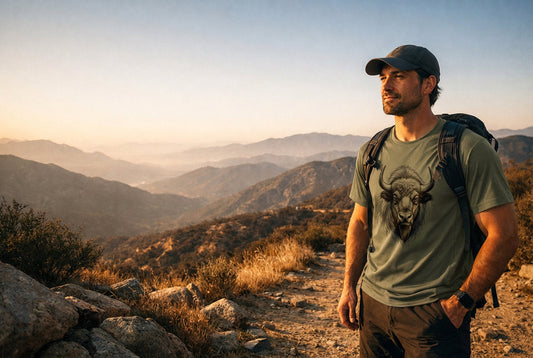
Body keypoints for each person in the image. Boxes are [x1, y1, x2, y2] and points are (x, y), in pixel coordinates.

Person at [337, 44, 519, 357]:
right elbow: (360, 222)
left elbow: (504, 235)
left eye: (399, 76)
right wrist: (349, 287)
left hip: (434, 315)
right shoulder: (371, 151)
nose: (386, 85)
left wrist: (462, 301)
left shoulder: (467, 149)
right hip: (374, 308)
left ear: (428, 85)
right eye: (382, 78)